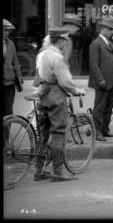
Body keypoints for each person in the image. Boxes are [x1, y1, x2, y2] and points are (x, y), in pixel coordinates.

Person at [31, 27, 86, 182]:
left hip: (42, 94)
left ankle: (38, 170)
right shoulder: (57, 57)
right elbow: (65, 82)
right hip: (56, 95)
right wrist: (78, 91)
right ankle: (58, 172)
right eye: (65, 41)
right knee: (58, 133)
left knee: (43, 134)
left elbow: (37, 78)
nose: (65, 44)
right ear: (61, 41)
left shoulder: (41, 54)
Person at [30, 13, 83, 99]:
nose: (77, 29)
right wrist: (69, 86)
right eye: (76, 26)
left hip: (47, 82)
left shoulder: (51, 37)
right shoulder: (66, 40)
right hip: (57, 84)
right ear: (69, 25)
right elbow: (63, 63)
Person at [88, 16, 113, 142]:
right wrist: (100, 80)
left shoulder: (109, 43)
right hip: (102, 81)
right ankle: (98, 131)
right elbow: (94, 64)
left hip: (111, 80)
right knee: (99, 107)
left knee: (108, 106)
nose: (112, 32)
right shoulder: (95, 44)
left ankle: (105, 129)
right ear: (102, 28)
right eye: (110, 29)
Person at [3, 19, 23, 117]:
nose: (7, 33)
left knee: (8, 112)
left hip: (9, 83)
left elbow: (15, 62)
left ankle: (6, 133)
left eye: (8, 31)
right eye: (4, 30)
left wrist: (19, 79)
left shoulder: (10, 44)